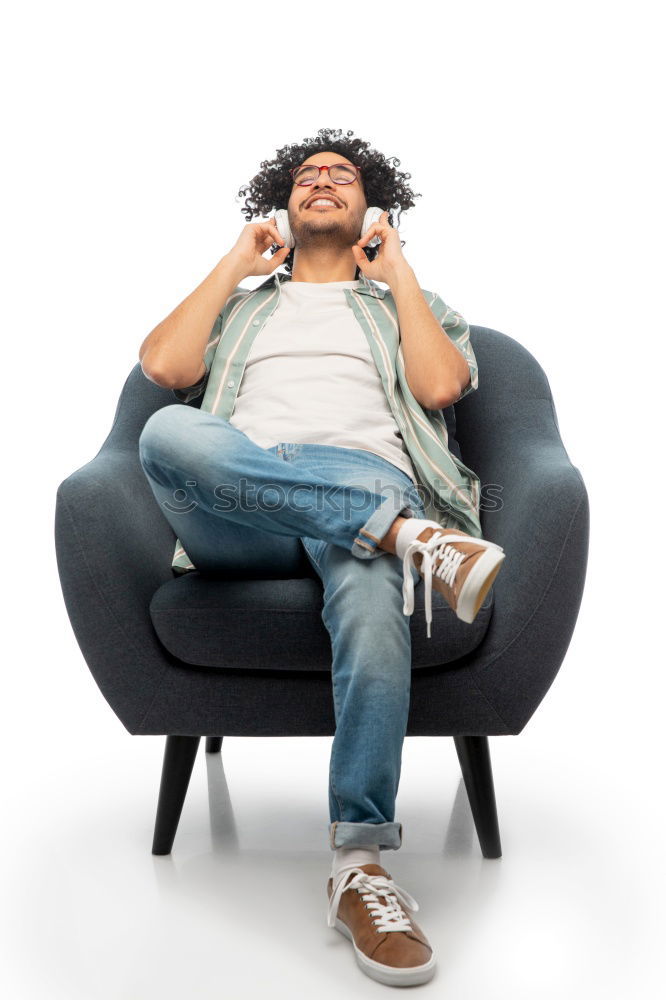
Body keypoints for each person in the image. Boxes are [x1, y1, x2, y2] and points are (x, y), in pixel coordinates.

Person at [137, 128, 506, 987]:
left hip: (369, 474)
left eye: (343, 175)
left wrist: (398, 271)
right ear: (283, 205)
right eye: (307, 175)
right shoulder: (242, 303)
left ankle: (360, 866)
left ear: (374, 208)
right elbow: (162, 367)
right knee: (169, 433)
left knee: (374, 600)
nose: (324, 181)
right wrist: (235, 261)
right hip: (247, 497)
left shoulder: (403, 302)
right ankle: (409, 540)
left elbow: (443, 387)